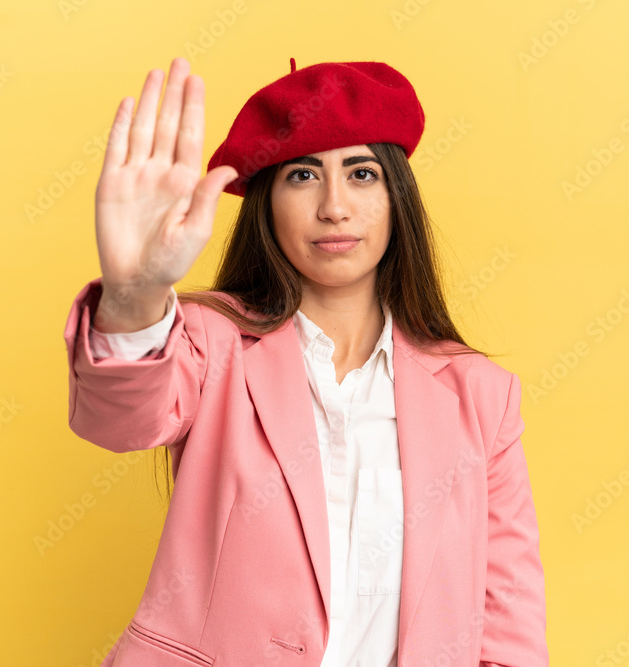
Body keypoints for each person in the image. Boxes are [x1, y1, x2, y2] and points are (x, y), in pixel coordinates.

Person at [63, 56, 548, 667]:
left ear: (397, 197)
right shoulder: (211, 343)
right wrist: (135, 293)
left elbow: (507, 626)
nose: (334, 207)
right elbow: (118, 420)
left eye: (362, 174)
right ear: (267, 203)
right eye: (302, 176)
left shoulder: (481, 395)